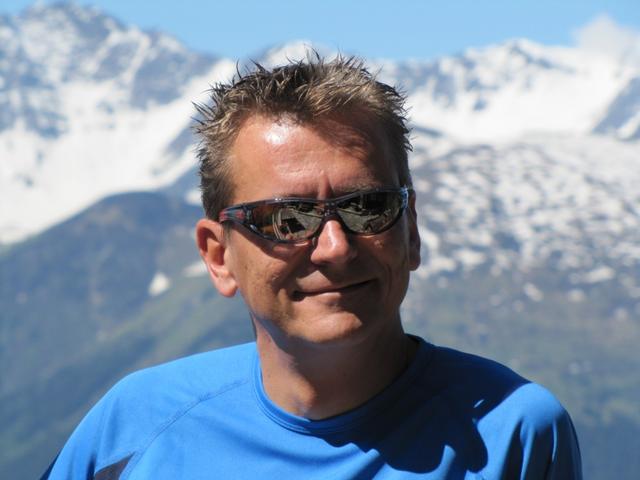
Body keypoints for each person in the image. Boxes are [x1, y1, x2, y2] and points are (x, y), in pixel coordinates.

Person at [43, 55, 582, 479]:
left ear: (411, 230)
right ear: (218, 255)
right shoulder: (134, 426)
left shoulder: (515, 431)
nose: (334, 247)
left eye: (368, 207)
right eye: (286, 219)